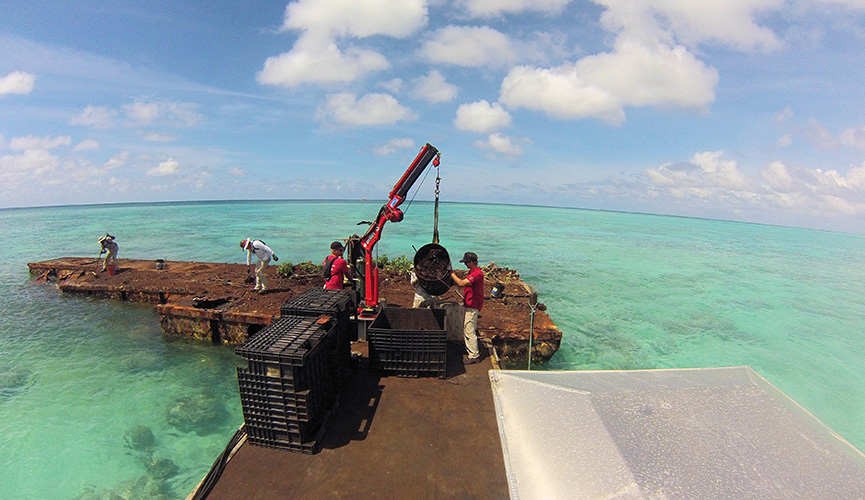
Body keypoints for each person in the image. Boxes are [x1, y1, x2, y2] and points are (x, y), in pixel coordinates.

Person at [450, 251, 484, 364]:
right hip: (470, 304)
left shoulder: (476, 274)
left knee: (469, 329)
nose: (465, 265)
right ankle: (471, 351)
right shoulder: (472, 272)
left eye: (467, 262)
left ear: (472, 262)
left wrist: (451, 273)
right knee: (467, 328)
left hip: (473, 305)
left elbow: (461, 283)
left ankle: (474, 355)